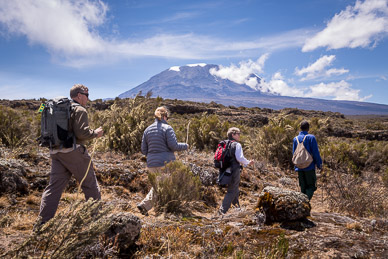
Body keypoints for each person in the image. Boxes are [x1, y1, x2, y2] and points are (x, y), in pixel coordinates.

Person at [36, 84, 104, 226]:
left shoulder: (57, 109)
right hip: (73, 152)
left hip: (56, 152)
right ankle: (96, 223)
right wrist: (95, 133)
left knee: (53, 188)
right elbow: (81, 133)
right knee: (90, 185)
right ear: (79, 95)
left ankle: (42, 224)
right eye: (87, 95)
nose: (88, 98)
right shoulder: (79, 110)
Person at [137, 106, 188, 215]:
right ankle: (157, 209)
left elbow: (143, 149)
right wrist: (185, 146)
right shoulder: (167, 128)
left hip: (151, 163)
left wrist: (152, 156)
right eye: (167, 117)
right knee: (164, 187)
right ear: (165, 116)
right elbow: (173, 146)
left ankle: (146, 206)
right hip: (166, 163)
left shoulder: (147, 129)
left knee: (157, 186)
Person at [219, 127, 253, 215]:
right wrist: (248, 162)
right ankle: (222, 211)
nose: (239, 135)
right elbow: (239, 158)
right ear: (233, 134)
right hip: (234, 170)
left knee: (235, 188)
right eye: (238, 134)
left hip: (224, 170)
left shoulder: (224, 143)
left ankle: (237, 208)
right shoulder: (237, 145)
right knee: (232, 190)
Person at [292, 120, 322, 200]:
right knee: (311, 187)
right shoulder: (311, 138)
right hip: (309, 167)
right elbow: (315, 153)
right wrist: (319, 165)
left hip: (299, 167)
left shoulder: (295, 139)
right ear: (308, 128)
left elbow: (294, 153)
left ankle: (301, 205)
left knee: (303, 188)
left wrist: (296, 167)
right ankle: (304, 204)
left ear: (300, 128)